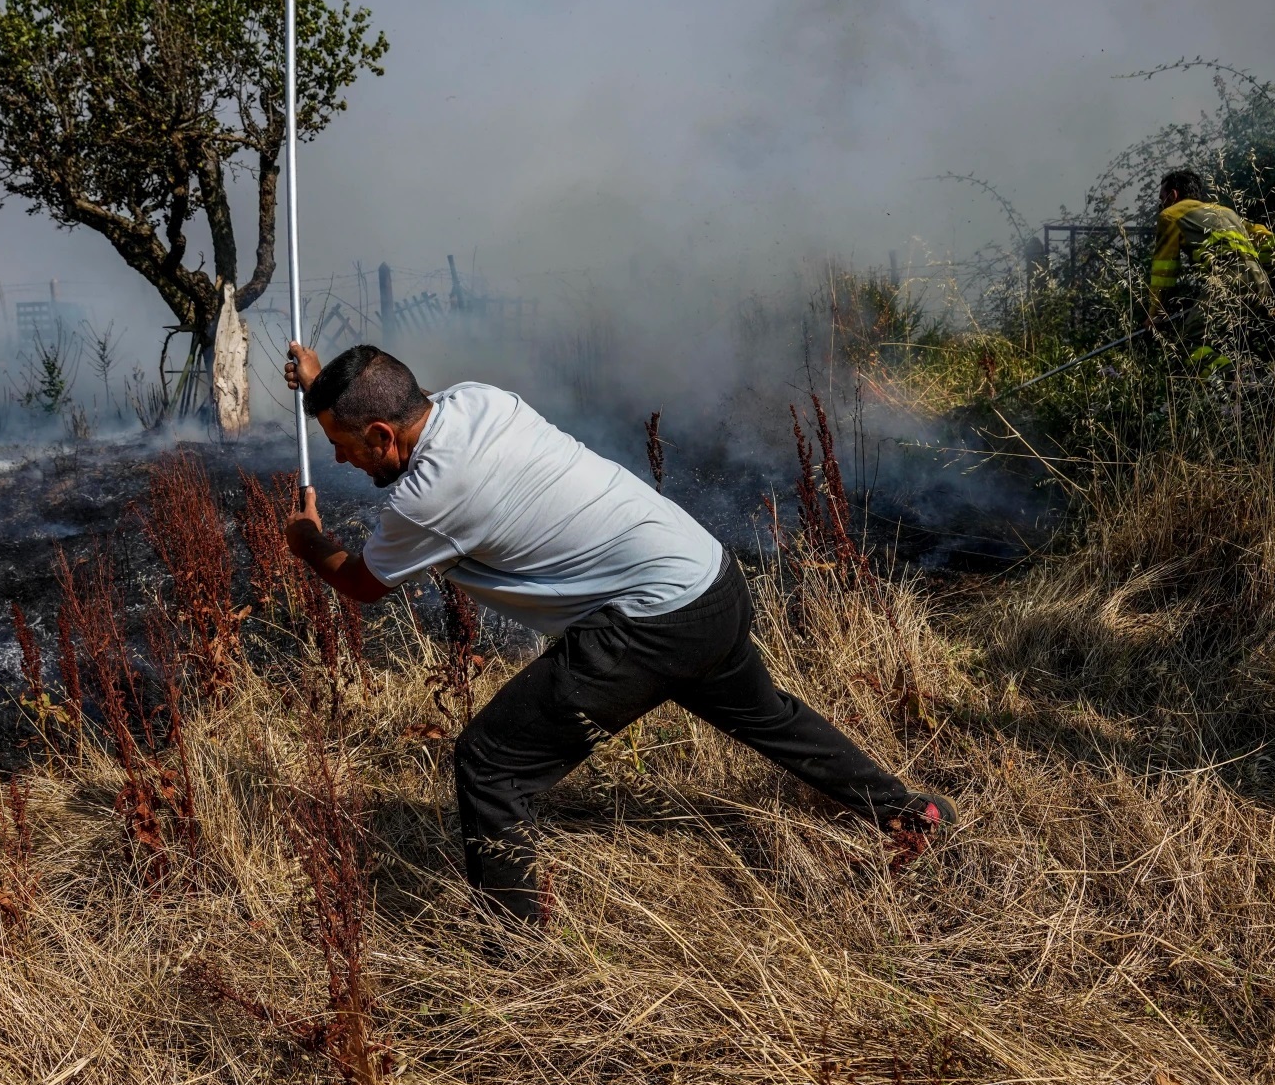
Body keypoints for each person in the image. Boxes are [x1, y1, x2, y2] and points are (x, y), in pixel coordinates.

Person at [281, 342, 951, 925]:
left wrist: (307, 539)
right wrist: (322, 389)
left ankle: (512, 955)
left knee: (492, 764)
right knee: (766, 715)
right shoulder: (479, 400)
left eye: (343, 446)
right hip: (706, 577)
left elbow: (363, 584)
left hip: (652, 622)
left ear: (382, 435)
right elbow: (389, 397)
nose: (339, 460)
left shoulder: (427, 497)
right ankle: (908, 810)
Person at [1148, 169, 1275, 368]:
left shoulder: (1170, 215)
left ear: (1173, 195)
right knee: (1250, 339)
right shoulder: (1226, 212)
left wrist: (1155, 313)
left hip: (1229, 280)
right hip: (1260, 280)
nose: (1161, 205)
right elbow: (1267, 237)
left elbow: (1164, 271)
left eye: (1161, 199)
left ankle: (1234, 380)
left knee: (1189, 344)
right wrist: (1264, 274)